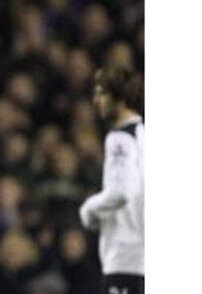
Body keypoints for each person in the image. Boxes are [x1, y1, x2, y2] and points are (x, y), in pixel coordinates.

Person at [80, 67, 144, 294]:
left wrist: (89, 209)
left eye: (101, 93)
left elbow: (122, 191)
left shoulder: (120, 138)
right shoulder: (144, 136)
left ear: (121, 97)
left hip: (125, 259)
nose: (95, 101)